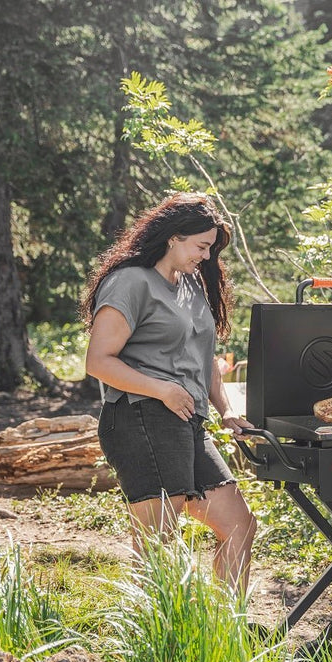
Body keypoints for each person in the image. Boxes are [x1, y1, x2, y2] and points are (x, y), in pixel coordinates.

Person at [80, 192, 257, 593]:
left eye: (210, 248)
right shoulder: (130, 282)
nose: (207, 256)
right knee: (158, 545)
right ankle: (152, 646)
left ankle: (223, 632)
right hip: (141, 415)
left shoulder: (192, 285)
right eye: (201, 246)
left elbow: (205, 357)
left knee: (240, 526)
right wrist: (162, 389)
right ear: (173, 238)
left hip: (187, 420)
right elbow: (98, 360)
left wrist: (226, 410)